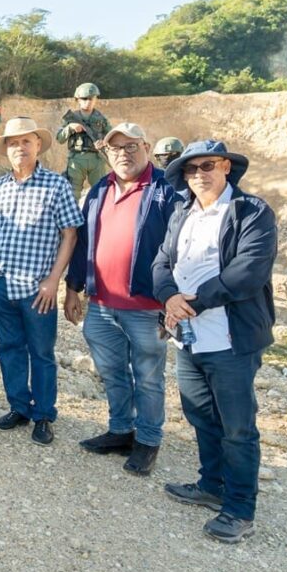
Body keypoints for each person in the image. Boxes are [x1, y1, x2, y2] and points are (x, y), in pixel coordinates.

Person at [153, 140, 277, 544]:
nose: (199, 175)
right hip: (188, 340)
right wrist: (169, 296)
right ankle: (212, 485)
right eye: (190, 170)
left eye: (208, 166)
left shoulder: (251, 212)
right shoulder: (181, 212)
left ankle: (240, 509)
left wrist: (196, 301)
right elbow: (160, 263)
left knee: (237, 427)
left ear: (226, 167)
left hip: (230, 339)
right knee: (201, 416)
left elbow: (249, 271)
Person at [64, 123, 181, 475]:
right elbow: (83, 241)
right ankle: (120, 431)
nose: (123, 154)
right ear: (107, 153)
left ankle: (147, 440)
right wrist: (72, 288)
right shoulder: (100, 188)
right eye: (116, 148)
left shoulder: (166, 190)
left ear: (146, 147)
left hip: (147, 308)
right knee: (112, 372)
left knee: (148, 376)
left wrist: (171, 299)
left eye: (131, 147)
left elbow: (180, 247)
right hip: (101, 304)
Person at [0, 117, 81, 445]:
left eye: (26, 141)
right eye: (13, 142)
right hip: (2, 284)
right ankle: (19, 406)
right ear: (5, 149)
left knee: (42, 353)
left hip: (38, 288)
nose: (19, 147)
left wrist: (54, 280)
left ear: (37, 146)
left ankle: (44, 415)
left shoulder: (56, 185)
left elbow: (70, 235)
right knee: (9, 349)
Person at [56, 82, 112, 201]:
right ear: (78, 100)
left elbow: (112, 136)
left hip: (96, 159)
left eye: (91, 98)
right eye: (84, 99)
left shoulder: (101, 118)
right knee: (72, 193)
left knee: (101, 192)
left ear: (96, 99)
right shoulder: (71, 118)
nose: (88, 101)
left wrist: (104, 142)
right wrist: (70, 128)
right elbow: (59, 138)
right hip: (76, 160)